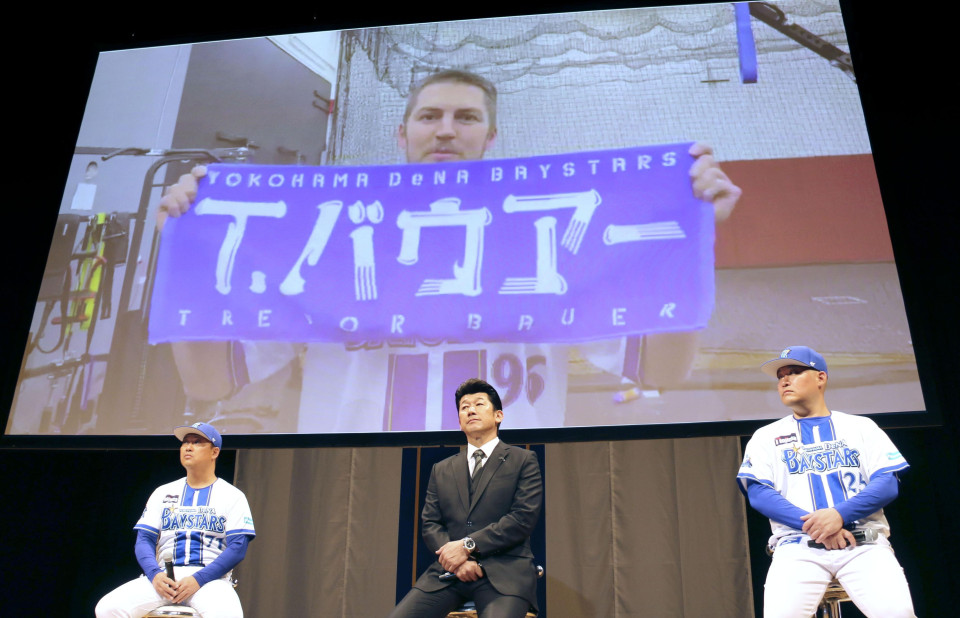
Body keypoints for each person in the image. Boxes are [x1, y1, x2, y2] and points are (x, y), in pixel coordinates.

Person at [156, 69, 742, 433]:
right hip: (355, 483)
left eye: (466, 118)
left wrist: (687, 242)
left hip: (508, 490)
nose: (445, 129)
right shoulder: (328, 229)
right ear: (402, 132)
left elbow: (662, 370)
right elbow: (209, 381)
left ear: (490, 136)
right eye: (429, 116)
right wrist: (188, 251)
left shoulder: (550, 229)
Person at [736, 346, 915, 618]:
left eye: (794, 372)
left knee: (897, 613)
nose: (784, 380)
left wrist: (838, 515)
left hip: (862, 543)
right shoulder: (766, 436)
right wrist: (819, 527)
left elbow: (887, 483)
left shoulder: (861, 427)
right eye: (780, 376)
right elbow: (759, 493)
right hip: (797, 546)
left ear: (821, 377)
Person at [387, 378, 542, 617]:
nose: (470, 410)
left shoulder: (522, 460)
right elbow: (431, 523)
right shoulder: (442, 469)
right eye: (464, 407)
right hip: (449, 573)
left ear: (498, 416)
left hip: (505, 572)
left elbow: (522, 519)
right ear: (459, 422)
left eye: (479, 404)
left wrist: (468, 546)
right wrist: (457, 561)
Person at [95, 422, 256, 618]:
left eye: (197, 442)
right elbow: (144, 539)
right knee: (107, 608)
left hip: (210, 580)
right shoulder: (163, 492)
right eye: (185, 442)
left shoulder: (232, 495)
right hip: (164, 578)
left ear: (214, 452)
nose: (188, 447)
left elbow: (238, 548)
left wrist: (198, 579)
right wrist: (155, 575)